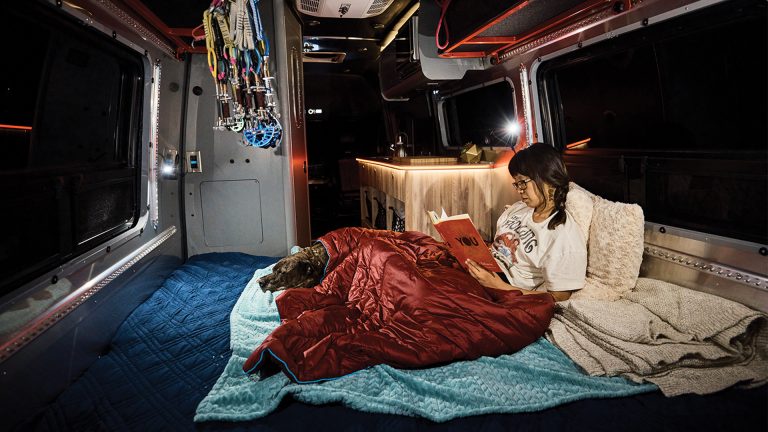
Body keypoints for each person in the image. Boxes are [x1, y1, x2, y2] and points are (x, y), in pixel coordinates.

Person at [466, 143, 586, 302]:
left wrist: (499, 286)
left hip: (502, 286)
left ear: (547, 178)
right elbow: (497, 248)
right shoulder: (518, 208)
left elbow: (559, 297)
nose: (519, 190)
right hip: (484, 269)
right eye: (516, 184)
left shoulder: (563, 235)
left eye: (523, 182)